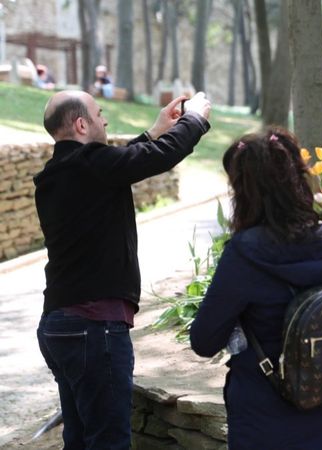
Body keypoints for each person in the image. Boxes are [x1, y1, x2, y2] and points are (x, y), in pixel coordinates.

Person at [34, 89, 211, 449]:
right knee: (108, 442)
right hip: (93, 328)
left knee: (80, 439)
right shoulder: (91, 166)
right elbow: (156, 158)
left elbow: (119, 164)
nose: (105, 119)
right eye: (99, 113)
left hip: (59, 327)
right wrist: (194, 119)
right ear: (81, 124)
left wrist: (154, 132)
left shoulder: (58, 173)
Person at [190, 128, 322, 449]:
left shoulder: (245, 254)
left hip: (266, 420)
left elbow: (204, 340)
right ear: (299, 177)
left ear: (244, 193)